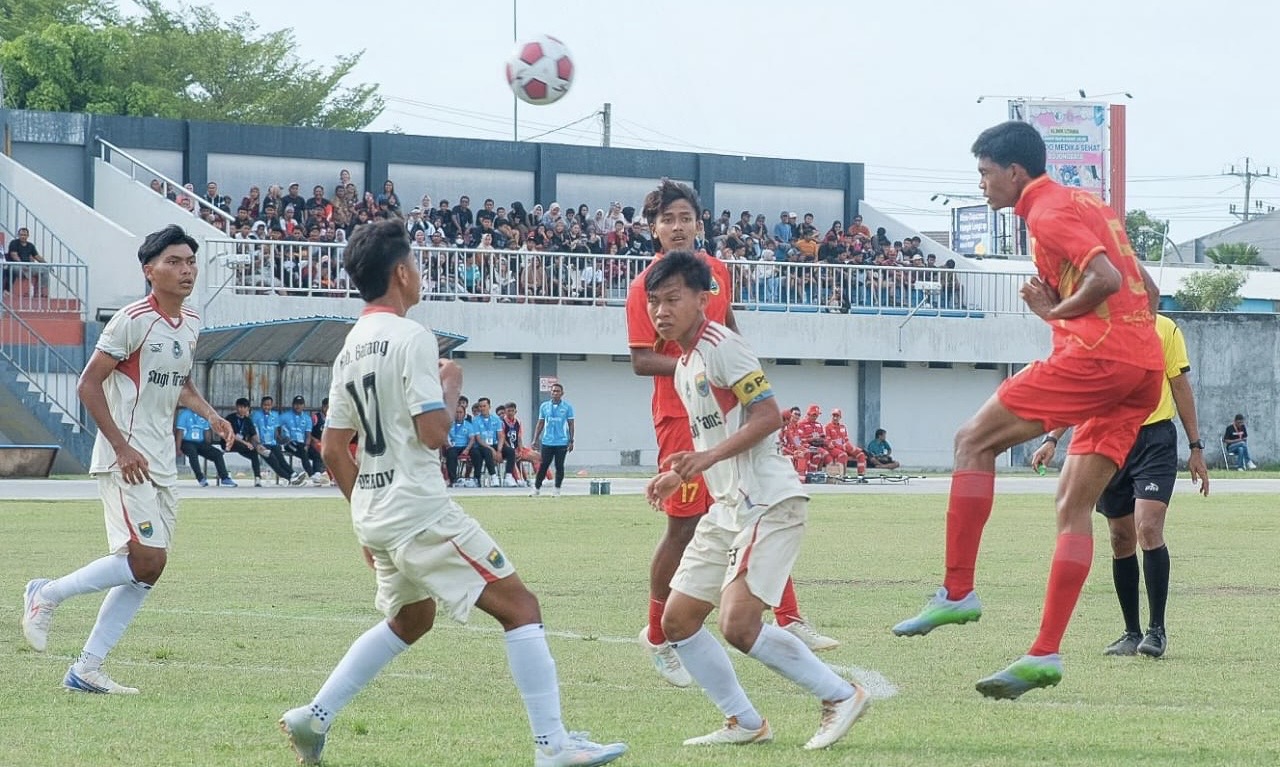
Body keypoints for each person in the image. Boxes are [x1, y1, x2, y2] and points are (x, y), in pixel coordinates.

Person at [278, 219, 626, 767]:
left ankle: (313, 717)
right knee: (521, 608)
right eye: (414, 264)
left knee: (411, 621)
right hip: (418, 510)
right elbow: (435, 432)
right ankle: (552, 747)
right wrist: (452, 383)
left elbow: (331, 448)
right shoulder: (411, 336)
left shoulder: (350, 347)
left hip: (377, 513)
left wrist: (364, 518)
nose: (418, 274)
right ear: (400, 272)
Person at [891, 120, 1164, 700]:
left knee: (972, 441)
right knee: (1073, 506)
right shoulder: (1091, 202)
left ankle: (958, 590)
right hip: (1141, 367)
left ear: (1015, 172)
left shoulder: (1046, 213)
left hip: (1099, 359)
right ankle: (1044, 653)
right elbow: (1146, 288)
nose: (983, 186)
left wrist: (1057, 313)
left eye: (986, 174)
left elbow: (1107, 278)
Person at [643, 251, 869, 749]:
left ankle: (839, 694)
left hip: (767, 500)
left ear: (704, 299)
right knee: (676, 621)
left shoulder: (725, 347)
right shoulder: (682, 365)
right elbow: (712, 442)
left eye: (673, 299)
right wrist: (679, 474)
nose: (661, 310)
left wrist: (705, 461)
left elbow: (768, 416)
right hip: (727, 508)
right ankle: (745, 722)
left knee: (739, 625)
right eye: (654, 301)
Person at [625, 179, 836, 689]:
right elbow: (639, 359)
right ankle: (658, 634)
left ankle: (788, 618)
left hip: (725, 413)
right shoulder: (646, 287)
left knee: (749, 505)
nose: (677, 227)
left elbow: (730, 326)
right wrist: (694, 366)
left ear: (700, 223)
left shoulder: (715, 274)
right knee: (685, 527)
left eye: (685, 217)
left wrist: (736, 368)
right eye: (666, 219)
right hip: (681, 417)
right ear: (653, 229)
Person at [20, 225, 234, 694]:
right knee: (146, 558)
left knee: (148, 569)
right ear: (149, 270)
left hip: (161, 462)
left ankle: (86, 669)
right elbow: (88, 384)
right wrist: (121, 446)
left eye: (190, 262)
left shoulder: (192, 322)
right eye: (173, 262)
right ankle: (46, 593)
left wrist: (213, 417)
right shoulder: (132, 319)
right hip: (127, 458)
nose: (185, 270)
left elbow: (180, 383)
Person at [1032, 314, 1210, 659]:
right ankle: (1132, 632)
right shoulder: (1098, 331)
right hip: (1110, 439)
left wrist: (1196, 447)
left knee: (1148, 526)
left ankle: (1156, 631)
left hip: (1154, 439)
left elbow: (1180, 386)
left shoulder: (1165, 328)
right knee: (1120, 537)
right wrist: (1052, 438)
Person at [530, 383, 573, 497]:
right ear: (551, 392)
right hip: (547, 441)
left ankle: (557, 489)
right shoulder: (544, 406)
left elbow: (571, 424)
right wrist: (535, 439)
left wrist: (571, 440)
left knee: (559, 466)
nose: (555, 393)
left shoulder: (567, 407)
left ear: (562, 393)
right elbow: (540, 423)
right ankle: (536, 489)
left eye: (558, 391)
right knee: (543, 465)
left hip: (561, 441)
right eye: (553, 391)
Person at [252, 395, 307, 486]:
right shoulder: (256, 415)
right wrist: (258, 444)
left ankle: (293, 474)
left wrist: (281, 440)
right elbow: (254, 431)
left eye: (269, 405)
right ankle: (291, 479)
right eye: (265, 405)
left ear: (271, 405)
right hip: (263, 444)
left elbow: (276, 431)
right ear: (261, 405)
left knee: (281, 460)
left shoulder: (275, 415)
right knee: (274, 462)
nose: (267, 407)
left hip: (273, 443)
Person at [175, 406, 236, 487]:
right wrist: (178, 448)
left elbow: (207, 433)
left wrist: (208, 446)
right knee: (192, 453)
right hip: (187, 442)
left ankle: (225, 478)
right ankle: (201, 478)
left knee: (217, 454)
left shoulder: (204, 415)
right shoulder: (185, 414)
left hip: (200, 443)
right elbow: (180, 432)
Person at [281, 395, 326, 485]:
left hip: (302, 444)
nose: (298, 406)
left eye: (300, 404)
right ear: (293, 405)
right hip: (289, 443)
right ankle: (311, 474)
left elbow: (308, 434)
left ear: (304, 406)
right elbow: (276, 428)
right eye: (296, 404)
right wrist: (281, 439)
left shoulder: (307, 418)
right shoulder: (285, 416)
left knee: (317, 454)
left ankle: (317, 475)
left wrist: (307, 445)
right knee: (302, 451)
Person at [224, 397, 265, 487]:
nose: (242, 409)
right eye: (240, 407)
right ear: (236, 407)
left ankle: (257, 478)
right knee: (247, 447)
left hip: (241, 445)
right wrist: (246, 443)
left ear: (248, 409)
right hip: (229, 442)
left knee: (254, 453)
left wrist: (258, 445)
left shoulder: (248, 420)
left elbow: (253, 435)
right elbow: (232, 435)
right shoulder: (230, 418)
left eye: (244, 407)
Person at [5, 226, 48, 297]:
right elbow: (14, 255)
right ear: (18, 235)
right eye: (21, 235)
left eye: (25, 235)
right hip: (18, 266)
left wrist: (47, 264)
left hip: (28, 267)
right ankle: (7, 291)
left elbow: (37, 256)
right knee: (13, 268)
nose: (23, 237)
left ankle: (40, 292)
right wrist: (22, 264)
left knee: (45, 270)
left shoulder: (30, 245)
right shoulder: (14, 243)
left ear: (28, 236)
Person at [444, 402, 475, 487]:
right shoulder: (449, 424)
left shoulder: (468, 425)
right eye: (456, 412)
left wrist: (467, 449)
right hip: (453, 447)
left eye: (460, 412)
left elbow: (472, 439)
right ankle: (453, 479)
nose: (458, 414)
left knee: (476, 453)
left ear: (464, 414)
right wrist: (447, 444)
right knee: (451, 453)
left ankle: (474, 478)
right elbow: (444, 436)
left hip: (465, 446)